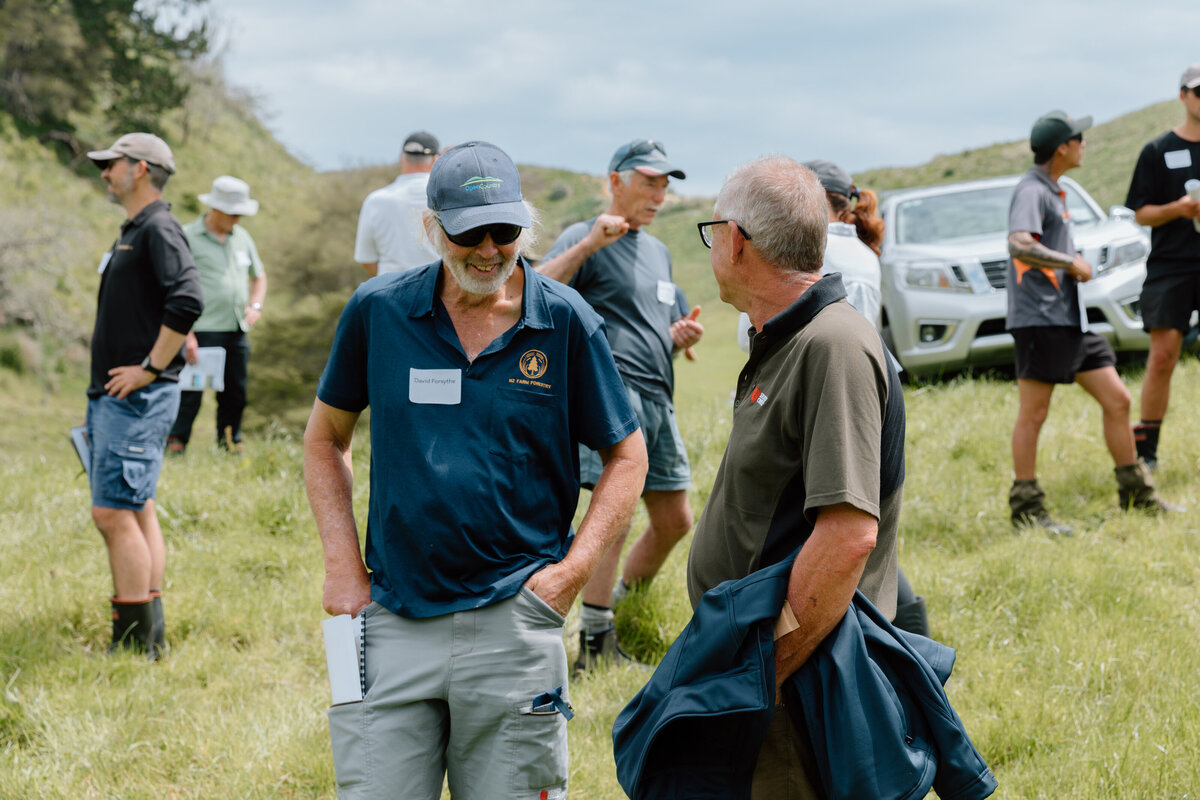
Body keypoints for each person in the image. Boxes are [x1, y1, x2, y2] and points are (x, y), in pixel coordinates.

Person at [303, 140, 647, 799]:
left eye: (505, 231)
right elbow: (325, 438)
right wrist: (343, 567)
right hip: (395, 616)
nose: (489, 250)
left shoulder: (566, 322)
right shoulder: (378, 311)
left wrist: (572, 574)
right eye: (469, 233)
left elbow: (627, 456)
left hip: (515, 619)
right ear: (431, 228)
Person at [687, 155, 907, 795]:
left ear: (735, 240)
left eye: (711, 234)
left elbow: (847, 536)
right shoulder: (788, 337)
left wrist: (763, 674)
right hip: (765, 679)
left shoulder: (831, 345)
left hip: (798, 693)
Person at [537, 138, 703, 674]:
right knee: (615, 512)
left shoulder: (659, 252)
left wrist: (681, 335)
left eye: (665, 185)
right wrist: (589, 245)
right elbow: (535, 290)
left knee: (676, 518)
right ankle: (594, 639)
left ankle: (624, 605)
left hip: (660, 396)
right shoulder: (585, 235)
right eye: (648, 182)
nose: (659, 194)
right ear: (615, 181)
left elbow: (660, 324)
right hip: (614, 394)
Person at [1006, 110, 1174, 534]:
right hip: (1039, 321)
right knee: (1035, 413)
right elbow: (1018, 242)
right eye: (1079, 138)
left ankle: (1136, 493)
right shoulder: (1032, 189)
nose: (1085, 144)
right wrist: (1071, 264)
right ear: (1062, 146)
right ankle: (1027, 508)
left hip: (1069, 321)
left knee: (1117, 399)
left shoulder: (1054, 190)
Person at [84, 133, 203, 659]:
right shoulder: (138, 229)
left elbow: (189, 297)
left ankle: (133, 647)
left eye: (112, 165)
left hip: (135, 398)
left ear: (140, 169)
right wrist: (171, 341)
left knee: (113, 512)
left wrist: (151, 368)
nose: (104, 173)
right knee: (137, 507)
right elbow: (168, 302)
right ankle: (148, 638)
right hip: (124, 398)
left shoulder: (157, 227)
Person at [1126, 63, 1200, 471]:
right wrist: (1179, 209)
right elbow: (1140, 212)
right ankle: (1147, 453)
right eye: (1198, 91)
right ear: (1183, 96)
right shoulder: (1157, 150)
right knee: (1163, 357)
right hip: (1170, 266)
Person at [166, 176, 266, 454]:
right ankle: (176, 442)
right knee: (190, 392)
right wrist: (185, 333)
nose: (237, 220)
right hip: (200, 329)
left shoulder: (243, 238)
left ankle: (231, 443)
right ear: (216, 208)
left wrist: (255, 306)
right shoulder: (187, 237)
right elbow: (172, 287)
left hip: (236, 328)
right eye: (233, 214)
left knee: (236, 391)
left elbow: (259, 277)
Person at [353, 130, 440, 277]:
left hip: (391, 292)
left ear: (401, 158)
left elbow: (366, 258)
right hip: (439, 292)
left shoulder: (375, 200)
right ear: (436, 160)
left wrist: (387, 285)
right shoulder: (445, 197)